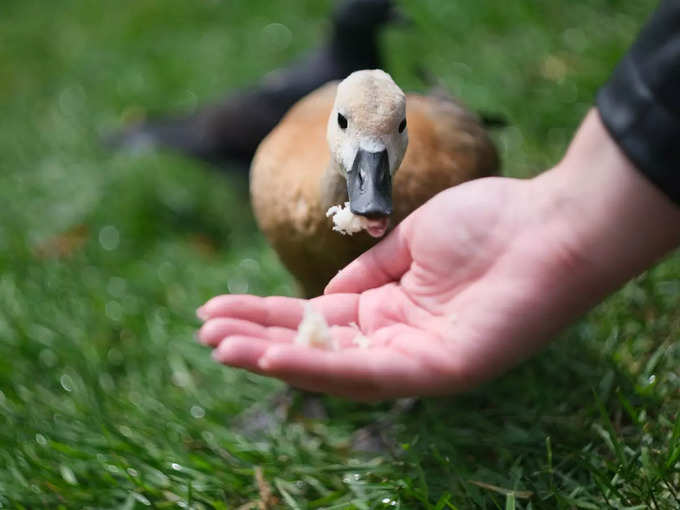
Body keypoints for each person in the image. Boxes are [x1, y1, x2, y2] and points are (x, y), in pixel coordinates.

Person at [196, 0, 680, 401]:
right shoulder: (275, 162)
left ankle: (407, 402)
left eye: (393, 133)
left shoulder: (449, 168)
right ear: (331, 119)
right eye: (347, 127)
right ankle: (303, 390)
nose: (371, 184)